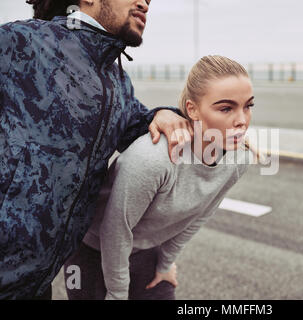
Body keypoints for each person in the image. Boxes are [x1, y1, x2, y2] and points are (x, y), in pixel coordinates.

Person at [0, 0, 193, 299]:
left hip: (35, 287)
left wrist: (161, 114)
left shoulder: (116, 82)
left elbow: (135, 123)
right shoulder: (22, 42)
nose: (144, 2)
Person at [63, 55, 258, 300]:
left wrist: (165, 264)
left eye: (248, 106)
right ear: (192, 109)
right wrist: (116, 294)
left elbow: (198, 216)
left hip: (146, 249)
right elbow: (115, 231)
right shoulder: (153, 158)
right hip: (94, 250)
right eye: (226, 108)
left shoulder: (239, 159)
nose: (242, 121)